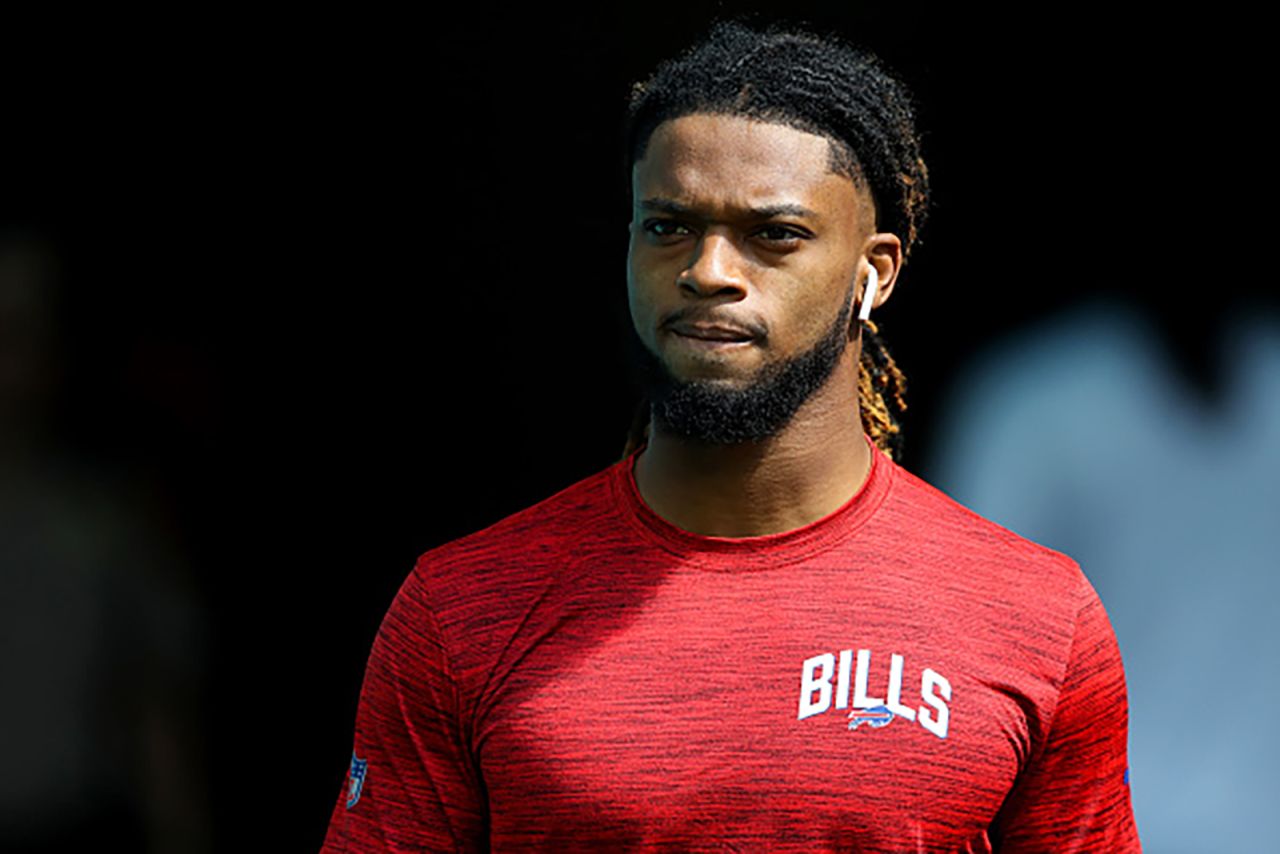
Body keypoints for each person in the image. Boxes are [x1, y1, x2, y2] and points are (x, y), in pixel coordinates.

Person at [320, 18, 1141, 852]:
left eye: (772, 235)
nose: (709, 270)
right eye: (668, 226)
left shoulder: (1035, 616)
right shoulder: (462, 610)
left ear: (875, 272)